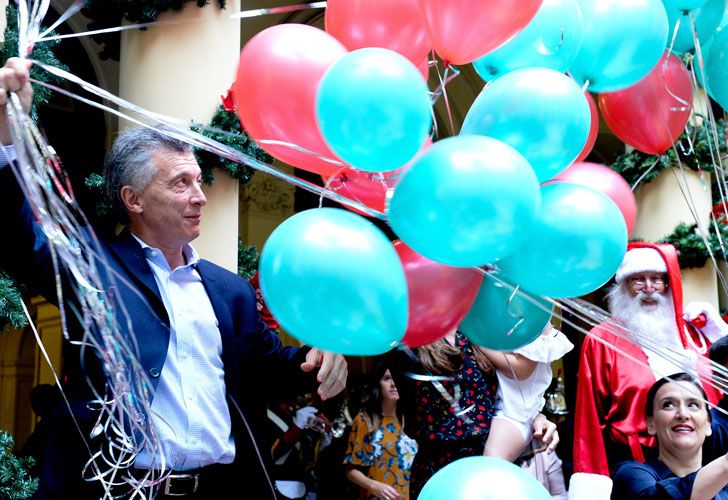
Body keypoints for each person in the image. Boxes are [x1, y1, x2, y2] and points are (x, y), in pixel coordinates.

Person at [0, 58, 348, 499]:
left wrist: (321, 357)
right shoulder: (93, 269)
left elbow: (273, 371)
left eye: (199, 181)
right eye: (180, 183)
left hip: (218, 490)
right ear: (135, 199)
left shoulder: (230, 292)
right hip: (122, 491)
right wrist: (5, 139)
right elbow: (19, 237)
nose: (200, 196)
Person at [573, 242, 727, 497]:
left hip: (708, 463)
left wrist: (722, 335)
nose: (648, 289)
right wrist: (591, 484)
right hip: (640, 470)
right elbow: (588, 420)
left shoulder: (693, 334)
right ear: (623, 286)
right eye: (638, 280)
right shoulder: (602, 339)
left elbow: (721, 402)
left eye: (657, 279)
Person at [393, 328, 559, 497]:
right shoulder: (406, 338)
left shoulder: (478, 332)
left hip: (492, 469)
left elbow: (509, 394)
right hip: (440, 472)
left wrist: (536, 416)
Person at [612, 373, 728, 499]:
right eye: (668, 405)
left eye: (693, 405)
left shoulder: (724, 488)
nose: (683, 414)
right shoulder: (630, 474)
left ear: (708, 425)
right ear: (651, 424)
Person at [484, 324, 573, 461]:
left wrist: (477, 341)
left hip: (515, 415)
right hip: (510, 410)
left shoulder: (532, 318)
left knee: (488, 470)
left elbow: (521, 369)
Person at [344, 360, 418, 500]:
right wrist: (374, 486)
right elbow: (351, 470)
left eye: (396, 378)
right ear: (378, 384)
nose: (393, 383)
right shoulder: (366, 420)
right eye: (387, 378)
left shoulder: (413, 418)